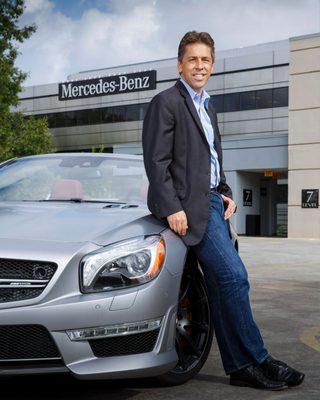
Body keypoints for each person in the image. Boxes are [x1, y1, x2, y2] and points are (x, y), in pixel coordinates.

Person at [142, 30, 305, 391]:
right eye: (192, 59)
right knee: (235, 277)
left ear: (212, 66)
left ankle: (241, 366)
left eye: (205, 60)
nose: (199, 66)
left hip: (214, 202)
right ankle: (257, 360)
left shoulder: (207, 105)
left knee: (222, 284)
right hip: (189, 208)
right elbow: (156, 162)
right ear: (179, 64)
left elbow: (211, 157)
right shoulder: (166, 102)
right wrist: (172, 207)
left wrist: (225, 191)